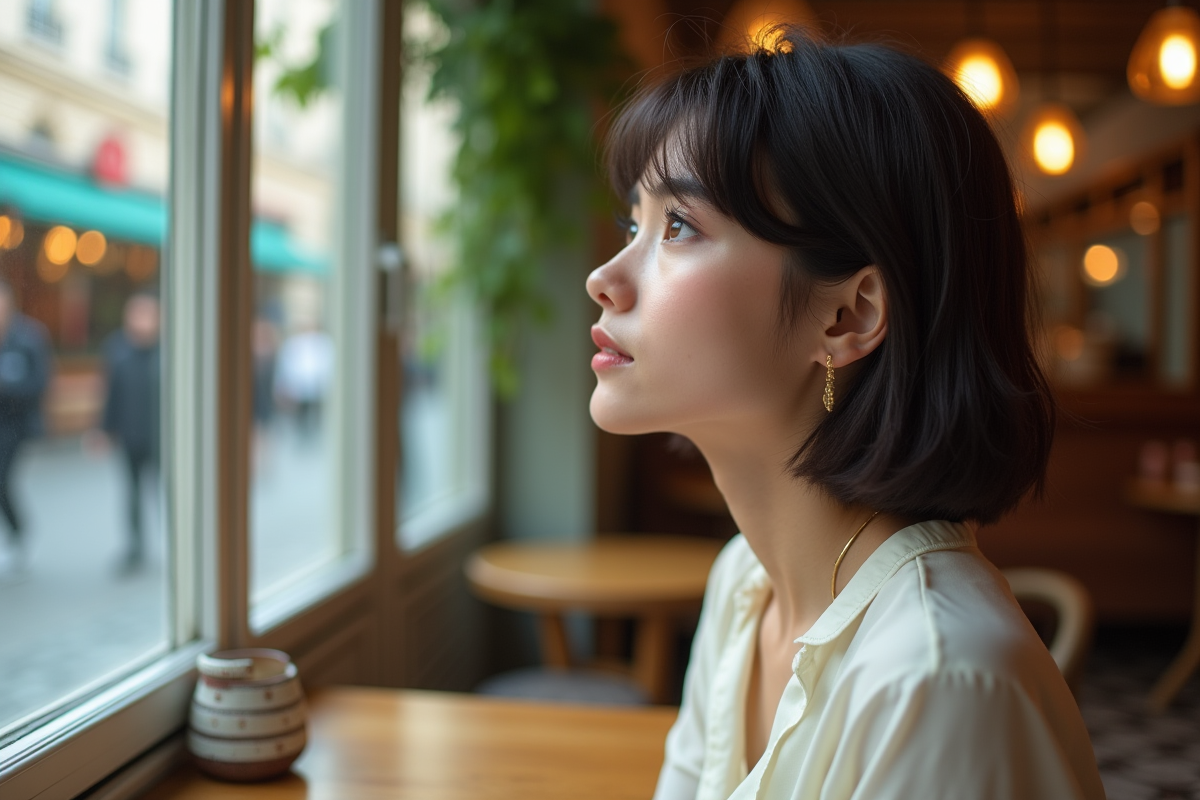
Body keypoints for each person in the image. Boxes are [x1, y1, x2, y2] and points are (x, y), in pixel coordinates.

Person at [586, 29, 1105, 800]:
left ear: (847, 316)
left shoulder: (935, 681)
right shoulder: (746, 586)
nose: (604, 278)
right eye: (637, 223)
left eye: (679, 226)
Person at [97, 293, 161, 574]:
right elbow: (111, 393)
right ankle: (135, 547)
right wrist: (104, 430)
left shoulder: (168, 350)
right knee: (132, 495)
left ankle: (180, 542)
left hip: (163, 439)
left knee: (168, 493)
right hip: (130, 435)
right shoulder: (117, 349)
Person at [0, 280, 51, 578]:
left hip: (16, 425)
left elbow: (39, 384)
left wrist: (6, 387)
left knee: (2, 479)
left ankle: (18, 533)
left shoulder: (29, 337)